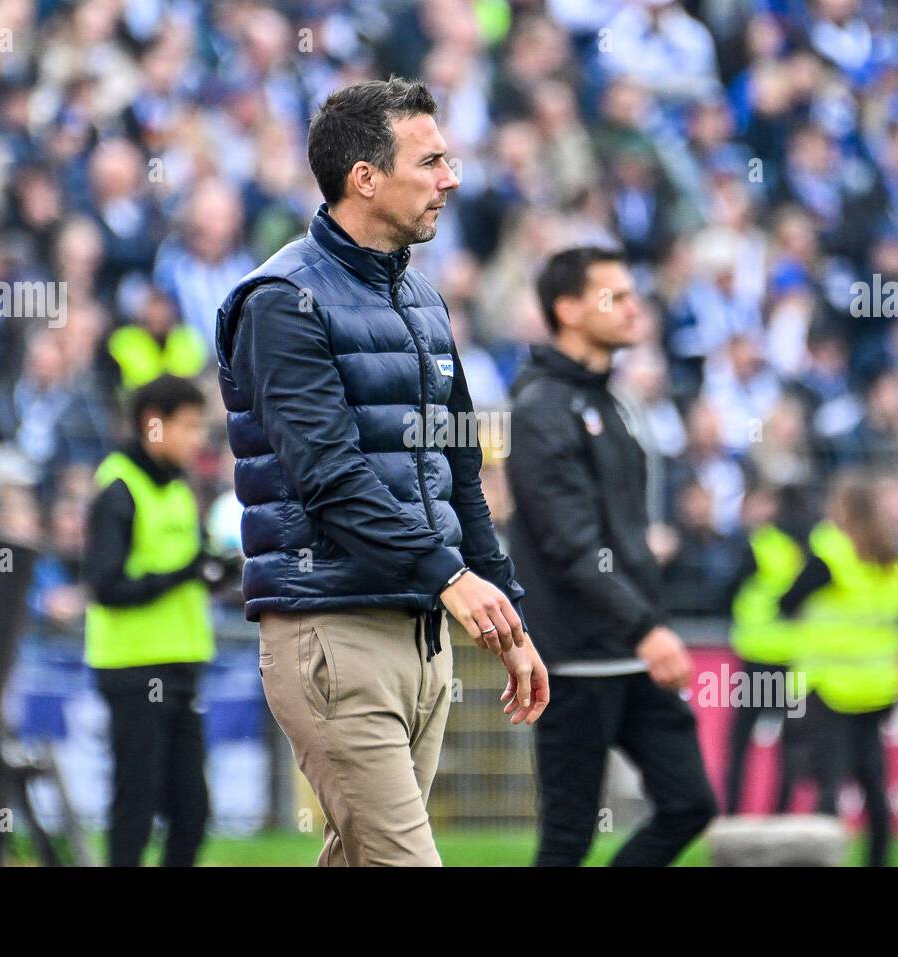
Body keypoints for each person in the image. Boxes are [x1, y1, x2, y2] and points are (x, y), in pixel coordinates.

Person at [214, 78, 549, 867]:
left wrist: (505, 605)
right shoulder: (280, 300)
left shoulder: (423, 297)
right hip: (333, 630)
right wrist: (450, 576)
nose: (451, 178)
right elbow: (329, 480)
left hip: (423, 629)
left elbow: (458, 469)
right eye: (430, 160)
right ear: (365, 178)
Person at [507, 245, 717, 867]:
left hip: (633, 648)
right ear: (568, 309)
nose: (633, 308)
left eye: (633, 294)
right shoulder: (542, 407)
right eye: (615, 296)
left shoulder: (612, 401)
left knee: (690, 804)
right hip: (576, 659)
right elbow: (572, 546)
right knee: (568, 839)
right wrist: (646, 626)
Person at [84, 374, 236, 867]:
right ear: (155, 424)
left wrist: (216, 571)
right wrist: (185, 573)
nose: (198, 439)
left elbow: (185, 571)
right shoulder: (119, 489)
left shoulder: (174, 488)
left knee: (192, 811)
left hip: (180, 664)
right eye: (190, 426)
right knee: (137, 803)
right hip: (133, 667)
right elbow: (106, 586)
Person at [779, 468, 898, 866]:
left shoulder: (832, 555)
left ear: (841, 509)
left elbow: (786, 602)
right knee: (875, 786)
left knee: (829, 787)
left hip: (832, 687)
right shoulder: (896, 558)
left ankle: (823, 861)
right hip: (878, 687)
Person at [721, 482, 808, 815]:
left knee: (740, 743)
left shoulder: (759, 545)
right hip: (795, 658)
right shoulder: (811, 549)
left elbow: (726, 589)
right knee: (791, 745)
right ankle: (781, 817)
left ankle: (731, 814)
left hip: (757, 656)